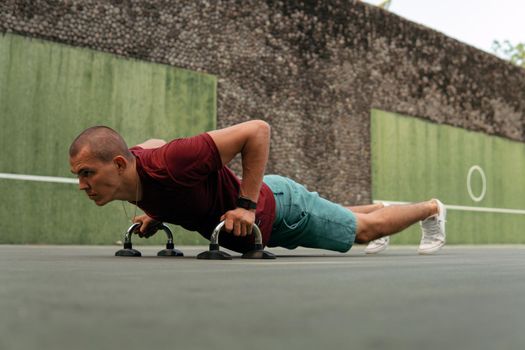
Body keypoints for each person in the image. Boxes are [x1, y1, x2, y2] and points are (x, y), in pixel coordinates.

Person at [69, 120, 446, 255]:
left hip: (282, 212)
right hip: (277, 202)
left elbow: (257, 130)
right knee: (345, 216)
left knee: (364, 232)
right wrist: (156, 213)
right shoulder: (143, 172)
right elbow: (152, 145)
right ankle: (380, 208)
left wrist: (246, 206)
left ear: (119, 164)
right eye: (78, 177)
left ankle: (431, 208)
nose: (82, 186)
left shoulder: (172, 160)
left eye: (86, 174)